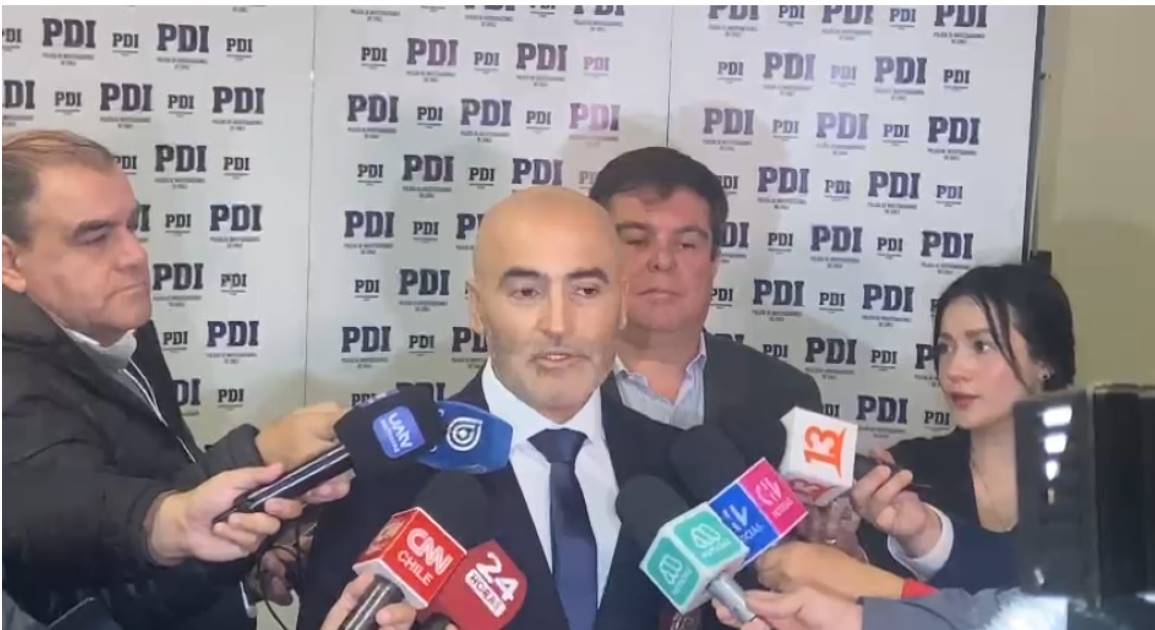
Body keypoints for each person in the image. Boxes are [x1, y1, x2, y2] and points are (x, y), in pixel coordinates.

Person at [299, 187, 726, 630]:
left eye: (586, 290)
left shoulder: (681, 477)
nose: (558, 324)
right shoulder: (383, 483)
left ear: (620, 304)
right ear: (477, 307)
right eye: (526, 292)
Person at [2, 129, 350, 629]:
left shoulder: (119, 324)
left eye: (132, 226)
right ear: (11, 262)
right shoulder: (12, 388)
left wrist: (251, 549)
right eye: (95, 237)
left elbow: (165, 490)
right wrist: (259, 456)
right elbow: (107, 590)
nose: (134, 256)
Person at [850, 263, 1076, 591]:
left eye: (981, 346)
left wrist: (929, 538)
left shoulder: (1100, 480)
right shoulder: (906, 473)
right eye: (945, 348)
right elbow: (873, 601)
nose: (954, 369)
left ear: (1044, 361)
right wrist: (841, 545)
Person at [589, 147, 821, 464]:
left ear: (714, 262)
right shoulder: (552, 386)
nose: (662, 261)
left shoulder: (786, 394)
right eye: (636, 240)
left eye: (686, 244)